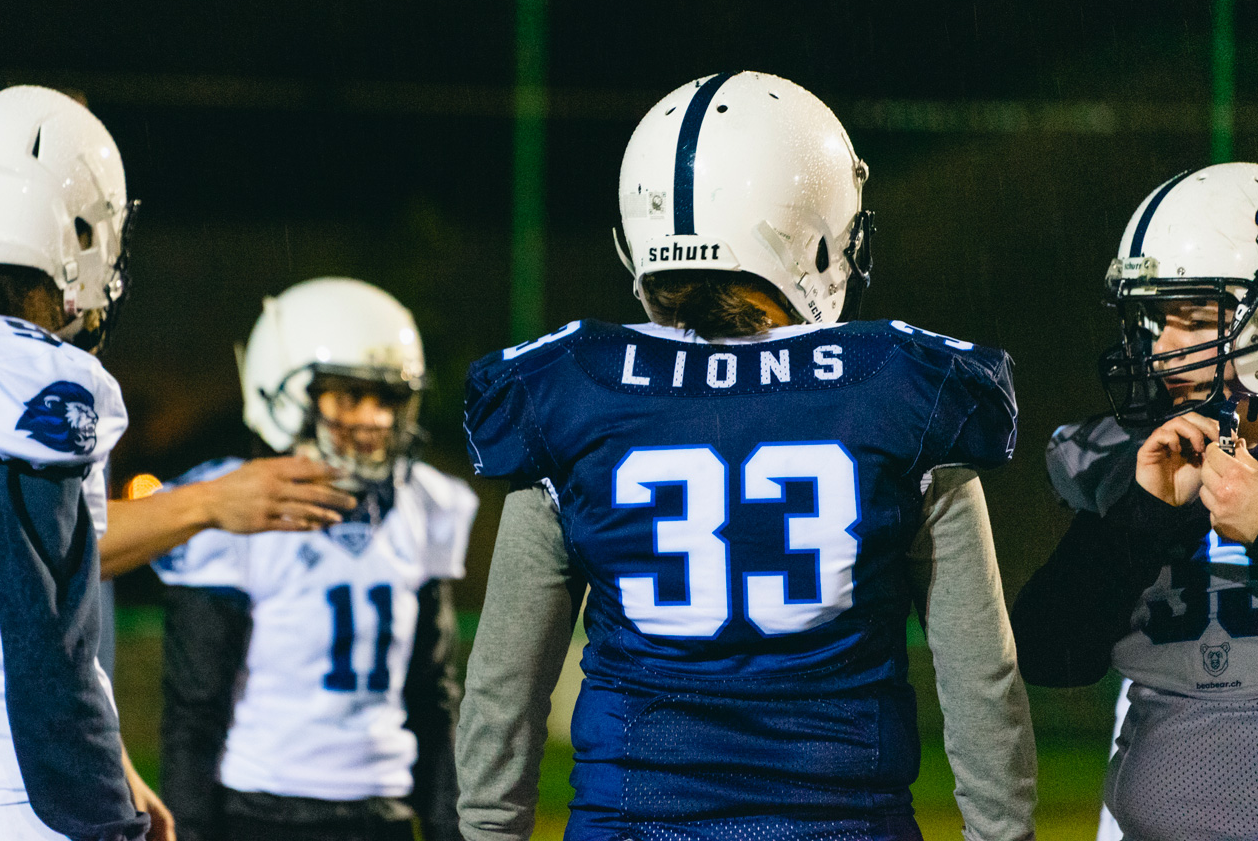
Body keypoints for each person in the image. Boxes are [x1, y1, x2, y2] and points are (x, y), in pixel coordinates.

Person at [457, 71, 1037, 841]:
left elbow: (504, 688)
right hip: (839, 823)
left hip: (634, 821)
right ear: (817, 229)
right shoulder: (899, 390)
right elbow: (980, 677)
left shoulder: (572, 389)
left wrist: (489, 830)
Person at [0, 89, 355, 841]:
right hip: (19, 798)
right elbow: (43, 639)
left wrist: (118, 765)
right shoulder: (29, 376)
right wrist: (106, 812)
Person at [152, 277, 479, 841]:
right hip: (259, 813)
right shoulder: (233, 515)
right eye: (349, 396)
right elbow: (194, 713)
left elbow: (432, 699)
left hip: (382, 810)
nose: (375, 420)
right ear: (281, 390)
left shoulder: (425, 506)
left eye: (387, 399)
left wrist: (450, 826)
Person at [1011, 162, 1258, 841]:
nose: (1161, 348)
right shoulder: (1141, 459)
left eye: (1193, 318)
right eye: (1155, 319)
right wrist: (1140, 518)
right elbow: (1051, 652)